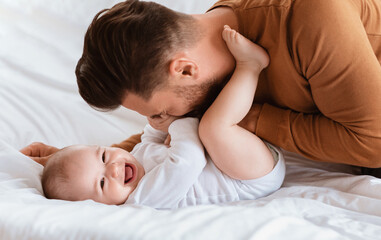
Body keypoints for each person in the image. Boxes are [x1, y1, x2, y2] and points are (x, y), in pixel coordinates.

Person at [28, 0, 381, 169]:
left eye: (160, 111)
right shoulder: (207, 61)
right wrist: (89, 161)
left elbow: (375, 143)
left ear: (184, 70)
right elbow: (178, 130)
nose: (159, 121)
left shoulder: (309, 15)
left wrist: (245, 119)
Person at [25, 27, 285, 208]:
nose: (114, 168)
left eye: (104, 156)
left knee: (207, 123)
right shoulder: (145, 197)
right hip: (250, 178)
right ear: (100, 207)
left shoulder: (135, 160)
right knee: (212, 128)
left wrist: (158, 124)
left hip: (237, 157)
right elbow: (188, 160)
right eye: (102, 183)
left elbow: (152, 138)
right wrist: (177, 123)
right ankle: (250, 67)